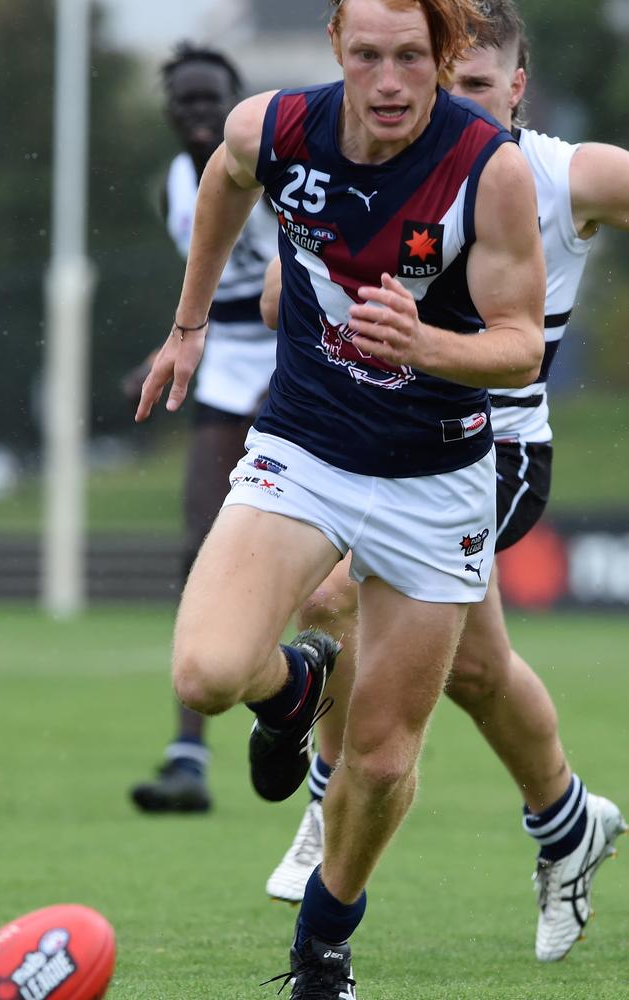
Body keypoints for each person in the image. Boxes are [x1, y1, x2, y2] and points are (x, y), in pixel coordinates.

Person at [136, 0, 545, 994]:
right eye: (368, 56)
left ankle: (321, 942)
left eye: (411, 56)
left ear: (441, 57)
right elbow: (226, 182)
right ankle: (297, 687)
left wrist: (428, 345)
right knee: (204, 672)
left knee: (375, 761)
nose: (391, 81)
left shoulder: (486, 168)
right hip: (305, 449)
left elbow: (519, 342)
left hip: (436, 479)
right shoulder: (274, 127)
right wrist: (189, 323)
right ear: (336, 52)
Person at [264, 0, 628, 967]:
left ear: (515, 88)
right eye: (443, 81)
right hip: (382, 445)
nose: (449, 101)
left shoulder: (559, 171)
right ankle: (566, 825)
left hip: (495, 450)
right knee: (473, 669)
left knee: (337, 590)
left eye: (475, 85)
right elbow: (280, 293)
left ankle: (320, 810)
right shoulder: (390, 167)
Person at [126, 43, 278, 814]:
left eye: (208, 99)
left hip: (296, 358)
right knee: (199, 546)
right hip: (223, 364)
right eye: (182, 101)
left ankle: (305, 720)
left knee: (302, 565)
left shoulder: (278, 165)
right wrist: (171, 345)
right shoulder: (176, 189)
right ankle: (188, 755)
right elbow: (208, 288)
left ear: (235, 97)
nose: (195, 113)